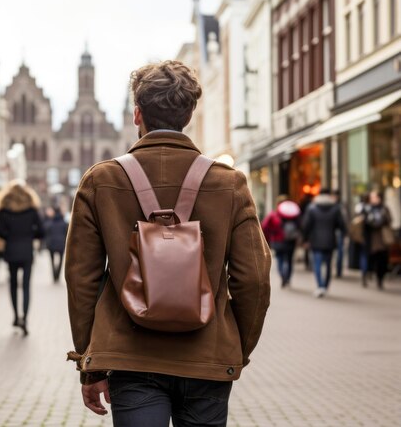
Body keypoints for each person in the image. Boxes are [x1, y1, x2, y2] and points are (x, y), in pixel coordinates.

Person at [64, 61, 271, 427]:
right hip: (206, 355)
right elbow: (253, 278)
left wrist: (89, 363)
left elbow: (82, 279)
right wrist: (234, 345)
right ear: (188, 115)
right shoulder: (230, 183)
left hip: (130, 356)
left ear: (137, 114)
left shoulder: (101, 180)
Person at [0, 180, 44, 336]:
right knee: (26, 286)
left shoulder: (4, 210)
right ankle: (25, 317)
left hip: (11, 250)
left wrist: (10, 236)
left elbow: (0, 232)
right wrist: (30, 235)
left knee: (13, 284)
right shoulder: (31, 209)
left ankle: (16, 316)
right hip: (26, 251)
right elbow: (41, 231)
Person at [302, 188, 347, 297]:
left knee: (317, 264)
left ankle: (320, 286)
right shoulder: (335, 208)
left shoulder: (312, 208)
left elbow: (306, 225)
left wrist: (305, 239)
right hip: (330, 240)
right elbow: (341, 225)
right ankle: (325, 286)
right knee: (328, 264)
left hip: (315, 240)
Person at [261, 196, 300, 288]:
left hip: (277, 241)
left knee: (280, 260)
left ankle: (283, 276)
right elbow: (300, 226)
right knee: (289, 260)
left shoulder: (273, 214)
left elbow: (264, 227)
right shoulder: (294, 215)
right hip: (290, 241)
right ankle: (287, 278)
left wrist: (267, 239)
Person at [362, 191, 392, 290]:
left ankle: (380, 279)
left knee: (382, 260)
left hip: (382, 238)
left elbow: (389, 219)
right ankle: (367, 275)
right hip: (370, 238)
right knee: (370, 258)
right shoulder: (366, 209)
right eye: (371, 197)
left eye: (374, 197)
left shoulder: (384, 209)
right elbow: (362, 222)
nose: (373, 199)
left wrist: (382, 220)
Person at [44, 206, 68, 283]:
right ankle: (57, 274)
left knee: (52, 260)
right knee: (61, 260)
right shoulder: (64, 223)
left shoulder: (50, 223)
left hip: (51, 244)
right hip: (61, 243)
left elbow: (46, 232)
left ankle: (54, 275)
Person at [332, 190, 348, 278]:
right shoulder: (338, 207)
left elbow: (344, 221)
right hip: (335, 232)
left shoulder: (339, 207)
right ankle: (336, 270)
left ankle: (338, 270)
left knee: (339, 252)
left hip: (338, 232)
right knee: (337, 252)